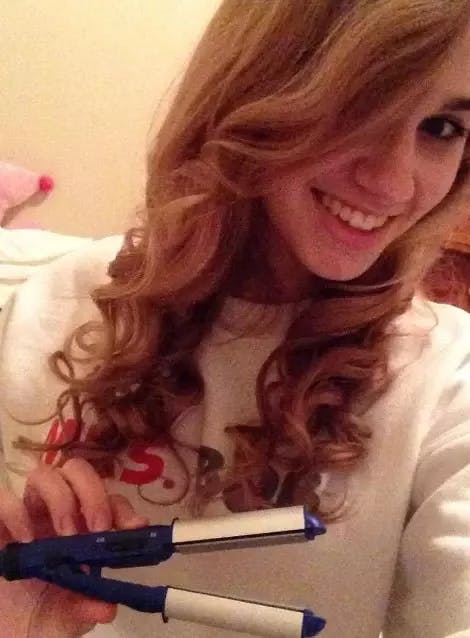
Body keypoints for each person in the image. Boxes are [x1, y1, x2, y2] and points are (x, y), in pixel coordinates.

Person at [0, 1, 469, 636]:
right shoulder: (50, 302)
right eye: (360, 105)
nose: (392, 183)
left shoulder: (448, 380)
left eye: (441, 127)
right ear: (258, 85)